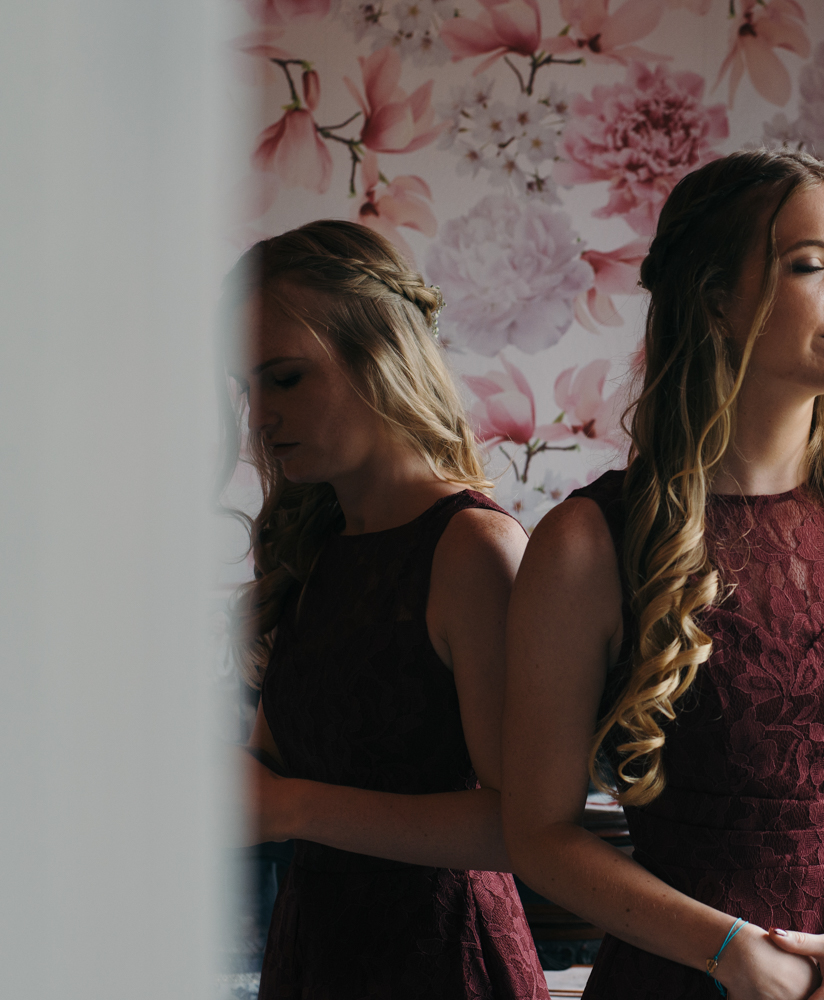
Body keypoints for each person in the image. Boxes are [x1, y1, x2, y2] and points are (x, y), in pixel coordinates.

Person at [501, 150, 824, 1000]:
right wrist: (727, 952)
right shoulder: (589, 544)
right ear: (717, 299)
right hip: (692, 982)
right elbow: (536, 831)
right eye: (809, 266)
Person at [230, 220, 548, 999]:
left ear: (381, 356)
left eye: (285, 378)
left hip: (443, 960)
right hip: (315, 951)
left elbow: (521, 828)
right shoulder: (314, 549)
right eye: (248, 388)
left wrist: (293, 808)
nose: (260, 417)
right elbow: (273, 770)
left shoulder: (473, 550)